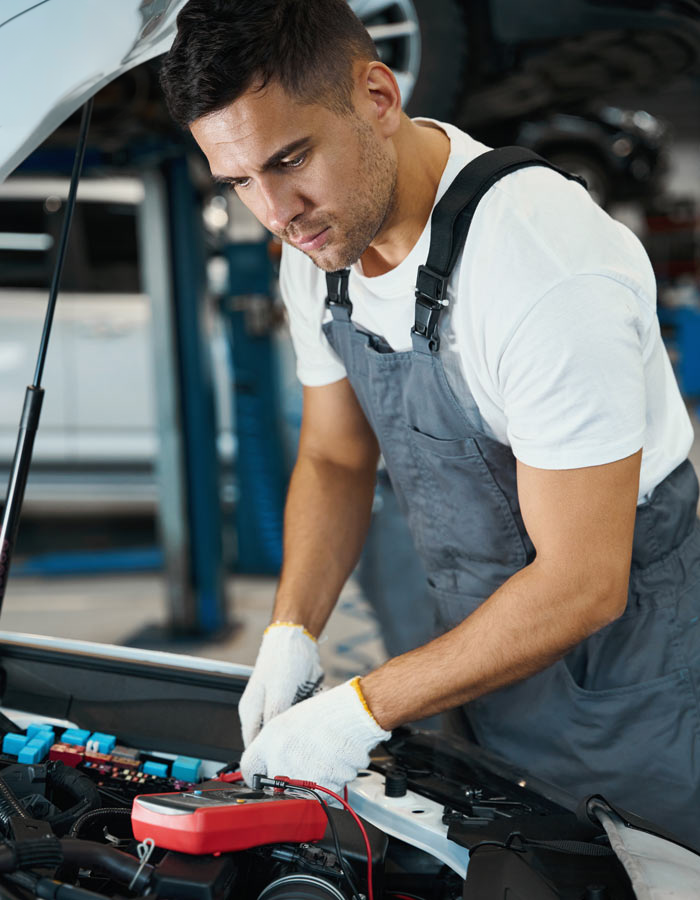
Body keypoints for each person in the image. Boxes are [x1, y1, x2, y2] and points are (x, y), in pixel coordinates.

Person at [160, 0, 700, 843]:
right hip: (480, 664)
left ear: (378, 95)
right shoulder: (324, 246)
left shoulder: (540, 270)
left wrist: (361, 708)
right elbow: (338, 457)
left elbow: (585, 582)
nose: (276, 212)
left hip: (630, 683)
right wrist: (292, 628)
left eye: (290, 158)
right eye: (238, 182)